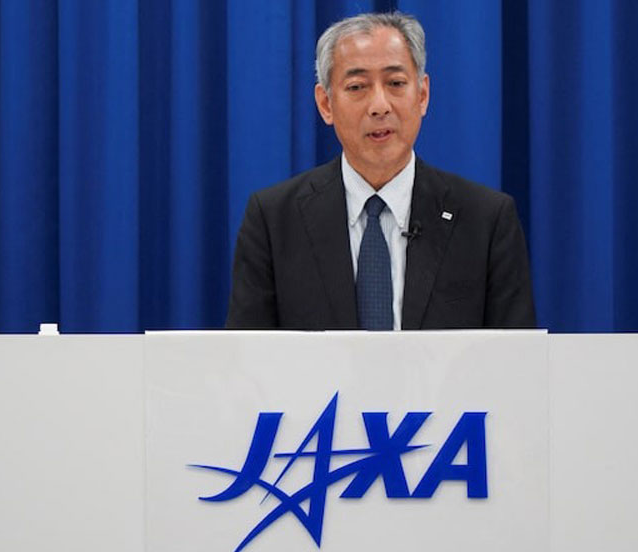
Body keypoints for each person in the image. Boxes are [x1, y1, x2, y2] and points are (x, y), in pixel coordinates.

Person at [226, 12, 535, 330]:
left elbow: (514, 365)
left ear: (423, 95)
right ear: (326, 104)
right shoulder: (274, 221)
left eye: (396, 83)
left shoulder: (486, 221)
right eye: (357, 86)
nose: (379, 105)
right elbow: (248, 366)